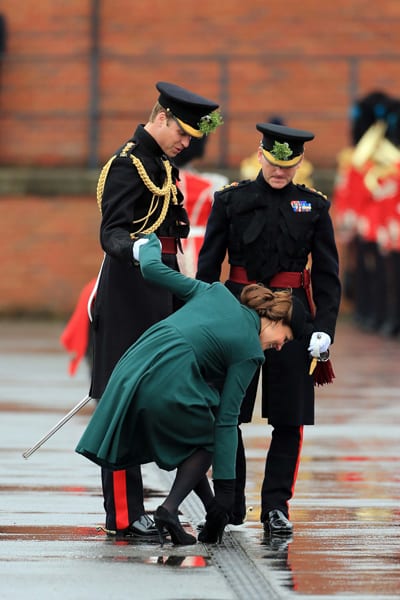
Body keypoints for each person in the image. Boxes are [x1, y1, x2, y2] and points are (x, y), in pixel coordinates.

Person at [76, 233, 309, 545]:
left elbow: (155, 272)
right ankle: (170, 509)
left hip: (134, 365)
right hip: (168, 377)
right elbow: (227, 421)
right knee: (208, 433)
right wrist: (227, 492)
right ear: (273, 319)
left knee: (194, 432)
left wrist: (149, 246)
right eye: (286, 337)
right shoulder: (249, 351)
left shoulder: (215, 293)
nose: (280, 346)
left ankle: (194, 508)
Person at [89, 81, 223, 540]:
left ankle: (184, 502)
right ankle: (124, 514)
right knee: (126, 400)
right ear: (161, 117)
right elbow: (112, 232)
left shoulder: (160, 165)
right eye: (182, 133)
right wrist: (138, 252)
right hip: (131, 292)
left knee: (158, 397)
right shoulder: (128, 165)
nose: (186, 143)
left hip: (162, 291)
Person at [196, 122, 341, 536]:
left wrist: (324, 329)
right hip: (238, 310)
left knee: (289, 417)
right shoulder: (230, 200)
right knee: (229, 413)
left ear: (299, 162)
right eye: (274, 163)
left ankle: (276, 506)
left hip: (293, 319)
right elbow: (209, 266)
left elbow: (328, 275)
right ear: (260, 155)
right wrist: (204, 317)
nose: (280, 171)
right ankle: (232, 499)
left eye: (288, 165)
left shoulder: (313, 207)